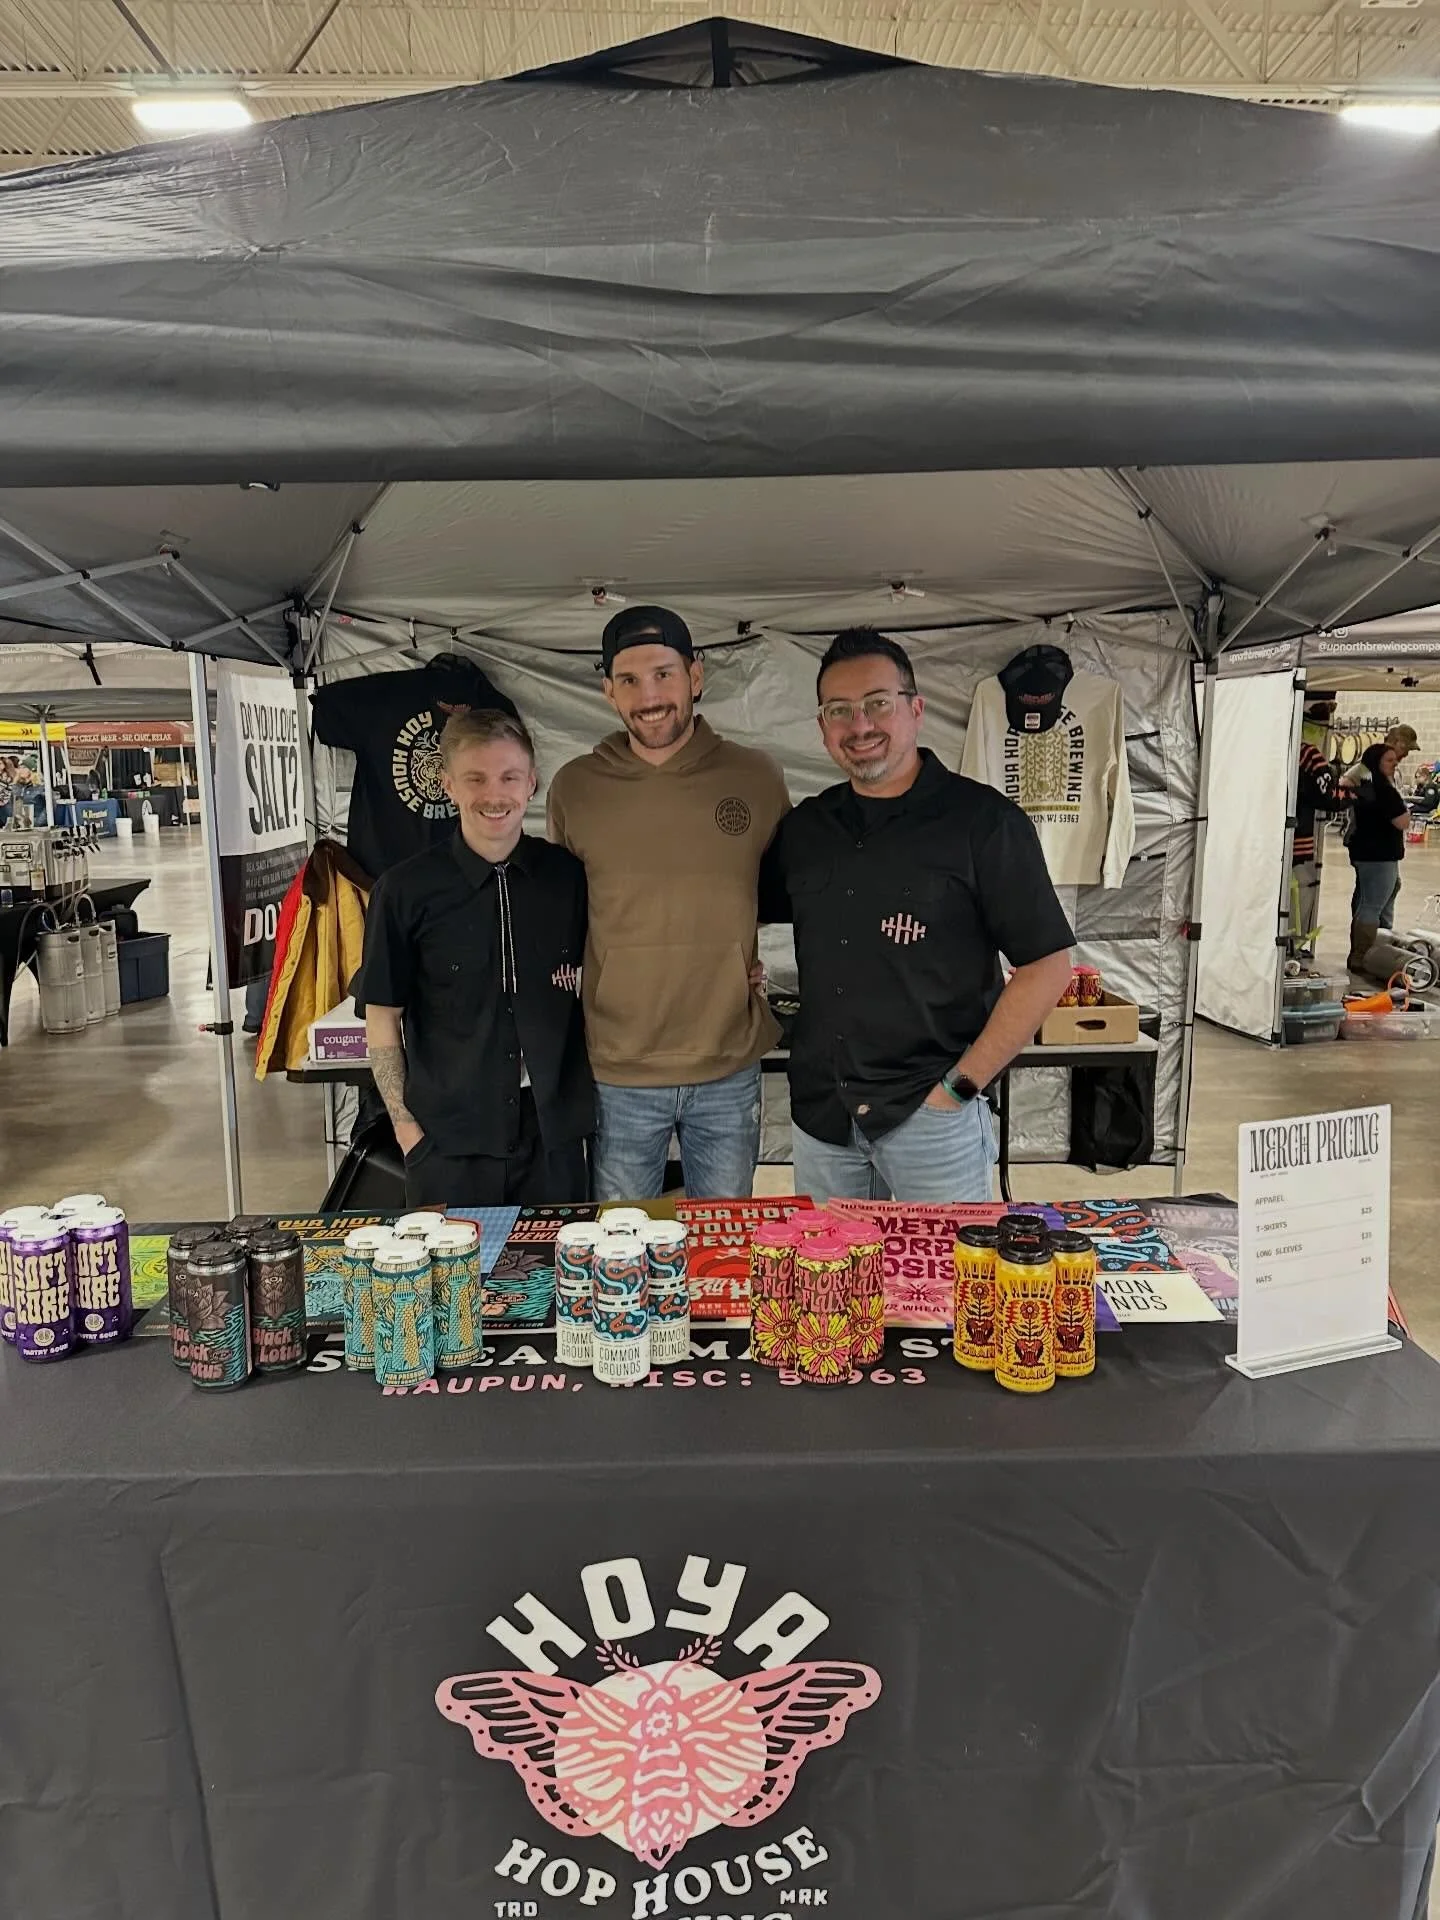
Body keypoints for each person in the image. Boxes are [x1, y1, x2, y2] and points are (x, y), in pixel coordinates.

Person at [764, 628, 1074, 1204]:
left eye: (878, 703)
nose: (861, 725)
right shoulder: (806, 830)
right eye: (840, 710)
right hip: (823, 1121)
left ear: (915, 710)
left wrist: (958, 1089)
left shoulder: (984, 823)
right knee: (836, 1291)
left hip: (930, 1123)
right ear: (823, 726)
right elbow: (736, 912)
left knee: (940, 1292)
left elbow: (1047, 965)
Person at [547, 605, 789, 1200]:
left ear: (696, 676)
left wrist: (735, 959)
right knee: (622, 1251)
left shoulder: (756, 777)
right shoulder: (575, 788)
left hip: (728, 1063)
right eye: (628, 680)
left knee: (722, 1254)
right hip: (619, 1068)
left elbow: (780, 893)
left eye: (663, 674)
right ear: (607, 691)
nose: (648, 695)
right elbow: (565, 914)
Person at [353, 709, 593, 1205]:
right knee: (454, 1285)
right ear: (447, 785)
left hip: (553, 1142)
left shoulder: (568, 878)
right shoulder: (404, 890)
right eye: (475, 778)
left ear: (531, 783)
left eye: (509, 776)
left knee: (552, 1282)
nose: (494, 794)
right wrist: (405, 1128)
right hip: (446, 1146)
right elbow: (382, 1018)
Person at [1344, 738, 1413, 971]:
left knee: (1376, 897)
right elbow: (1402, 822)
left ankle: (1375, 948)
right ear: (1376, 761)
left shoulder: (1367, 784)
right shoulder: (1382, 790)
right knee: (1372, 904)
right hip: (1379, 855)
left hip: (1368, 853)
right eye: (1390, 760)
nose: (1395, 763)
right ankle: (1362, 956)